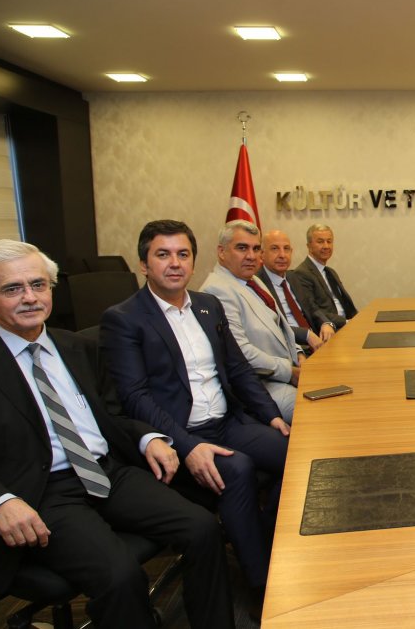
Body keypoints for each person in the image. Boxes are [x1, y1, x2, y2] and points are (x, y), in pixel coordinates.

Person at [0, 239, 233, 629]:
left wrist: (148, 438)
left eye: (38, 285)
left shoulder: (77, 346)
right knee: (120, 575)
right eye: (12, 288)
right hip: (43, 492)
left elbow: (113, 414)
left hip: (107, 471)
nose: (30, 297)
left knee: (203, 527)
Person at [100, 220, 289, 601]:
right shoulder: (124, 318)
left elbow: (237, 369)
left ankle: (271, 546)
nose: (175, 263)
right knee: (238, 468)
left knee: (297, 455)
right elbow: (136, 397)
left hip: (228, 422)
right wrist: (187, 446)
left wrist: (271, 415)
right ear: (144, 264)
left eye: (183, 254)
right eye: (163, 254)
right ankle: (260, 585)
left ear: (193, 261)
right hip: (178, 434)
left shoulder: (207, 306)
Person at [200, 220, 303, 422]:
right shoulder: (217, 290)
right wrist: (290, 372)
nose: (251, 256)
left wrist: (299, 354)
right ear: (221, 252)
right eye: (242, 248)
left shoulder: (252, 280)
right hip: (261, 384)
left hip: (285, 372)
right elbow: (241, 352)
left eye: (256, 249)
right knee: (319, 410)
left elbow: (279, 327)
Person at [258, 229, 335, 350]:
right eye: (274, 249)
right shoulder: (257, 284)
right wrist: (306, 336)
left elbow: (312, 308)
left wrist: (326, 323)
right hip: (289, 349)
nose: (282, 255)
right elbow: (272, 326)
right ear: (261, 254)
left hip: (316, 344)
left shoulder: (293, 277)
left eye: (286, 249)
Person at [295, 224, 357, 328]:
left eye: (329, 241)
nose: (326, 246)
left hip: (347, 325)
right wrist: (346, 322)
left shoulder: (330, 272)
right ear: (309, 246)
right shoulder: (301, 273)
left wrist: (359, 319)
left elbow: (346, 305)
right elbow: (313, 310)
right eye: (320, 242)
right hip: (330, 329)